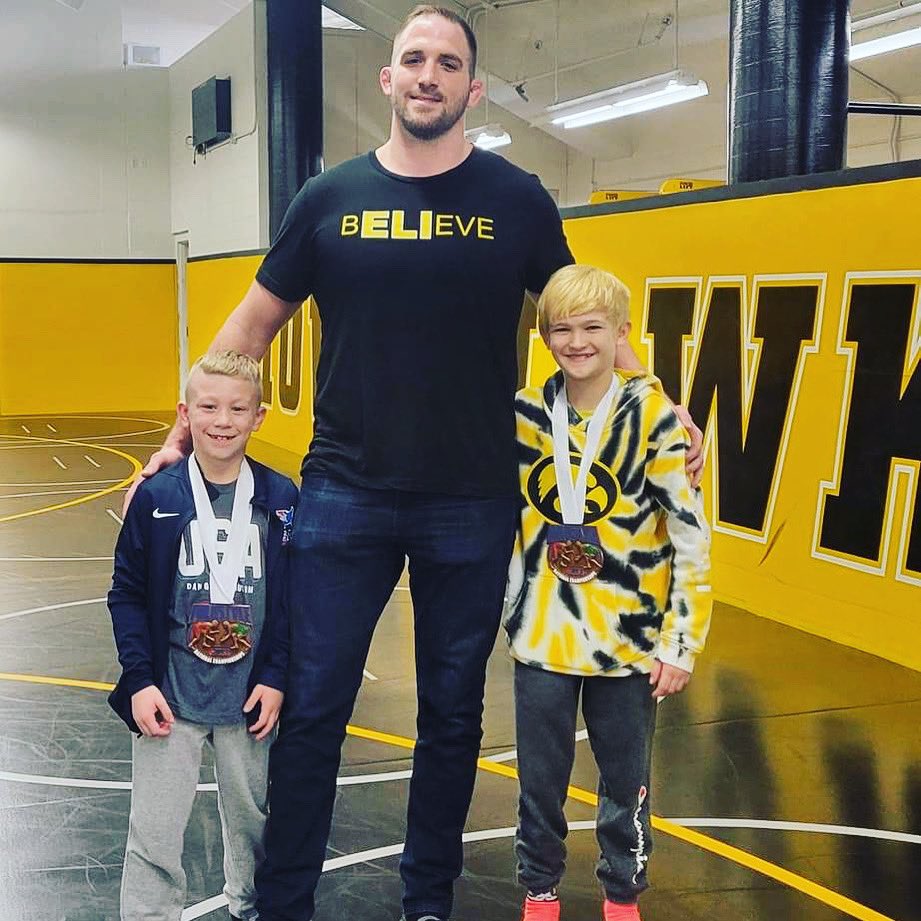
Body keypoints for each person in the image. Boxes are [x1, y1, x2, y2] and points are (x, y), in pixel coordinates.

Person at [127, 7, 702, 920]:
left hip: (470, 502)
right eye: (412, 59)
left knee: (452, 719)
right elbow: (245, 331)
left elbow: (580, 319)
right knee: (311, 711)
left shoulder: (516, 200)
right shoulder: (327, 200)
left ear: (471, 89)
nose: (428, 74)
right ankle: (284, 900)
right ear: (387, 80)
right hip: (343, 495)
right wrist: (177, 430)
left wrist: (654, 402)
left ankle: (425, 901)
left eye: (448, 63)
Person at [504, 264, 713, 921]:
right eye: (560, 328)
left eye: (592, 327)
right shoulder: (524, 416)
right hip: (542, 636)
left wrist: (680, 643)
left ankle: (621, 896)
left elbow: (690, 537)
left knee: (625, 782)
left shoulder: (653, 419)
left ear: (621, 332)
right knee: (537, 783)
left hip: (630, 642)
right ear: (542, 337)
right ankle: (538, 890)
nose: (576, 341)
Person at [108, 351, 297, 921]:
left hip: (250, 702)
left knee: (253, 825)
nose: (222, 420)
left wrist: (276, 675)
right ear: (184, 413)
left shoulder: (282, 498)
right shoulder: (158, 497)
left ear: (259, 416)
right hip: (170, 700)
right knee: (155, 830)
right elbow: (125, 594)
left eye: (238, 408)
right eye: (208, 407)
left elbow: (294, 602)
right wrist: (139, 681)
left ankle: (250, 909)